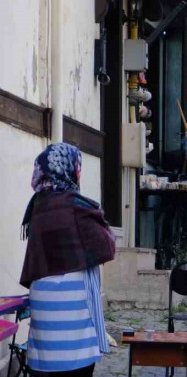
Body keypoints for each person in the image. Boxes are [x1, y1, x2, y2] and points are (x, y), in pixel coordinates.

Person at [20, 144, 116, 377]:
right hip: (72, 309)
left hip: (44, 306)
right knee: (76, 368)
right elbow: (106, 246)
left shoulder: (36, 206)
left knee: (47, 367)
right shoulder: (75, 204)